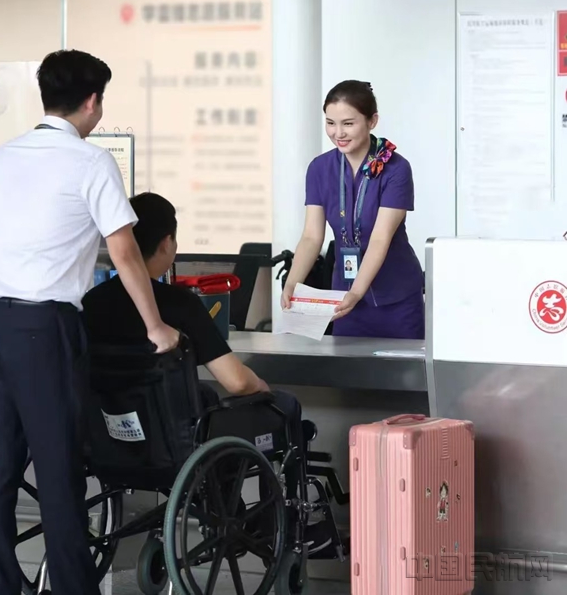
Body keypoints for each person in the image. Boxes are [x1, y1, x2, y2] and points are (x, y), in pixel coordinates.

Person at [0, 50, 179, 595]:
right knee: (60, 475)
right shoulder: (90, 161)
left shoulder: (6, 156)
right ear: (92, 102)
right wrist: (156, 327)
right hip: (42, 331)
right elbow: (126, 252)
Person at [82, 192, 331, 554]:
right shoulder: (178, 304)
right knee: (284, 406)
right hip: (178, 447)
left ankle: (229, 510)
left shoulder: (91, 302)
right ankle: (281, 526)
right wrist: (262, 388)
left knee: (206, 398)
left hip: (110, 444)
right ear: (167, 243)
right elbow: (237, 381)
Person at [281, 80, 424, 339]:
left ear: (372, 121)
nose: (338, 133)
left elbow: (380, 239)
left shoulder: (396, 169)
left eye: (348, 123)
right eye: (330, 123)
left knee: (402, 366)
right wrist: (293, 283)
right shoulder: (319, 168)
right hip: (344, 301)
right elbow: (312, 236)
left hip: (396, 298)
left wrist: (357, 292)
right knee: (348, 365)